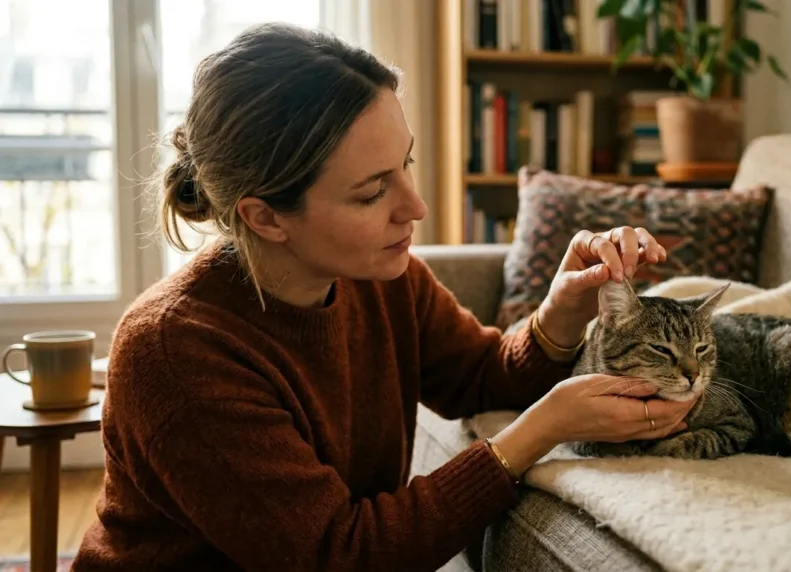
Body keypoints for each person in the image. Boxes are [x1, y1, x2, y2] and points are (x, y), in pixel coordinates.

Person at [71, 22, 696, 572]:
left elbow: (480, 377)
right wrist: (540, 430)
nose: (416, 208)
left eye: (408, 164)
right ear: (264, 217)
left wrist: (563, 311)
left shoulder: (383, 280)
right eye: (372, 192)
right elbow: (341, 555)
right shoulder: (176, 352)